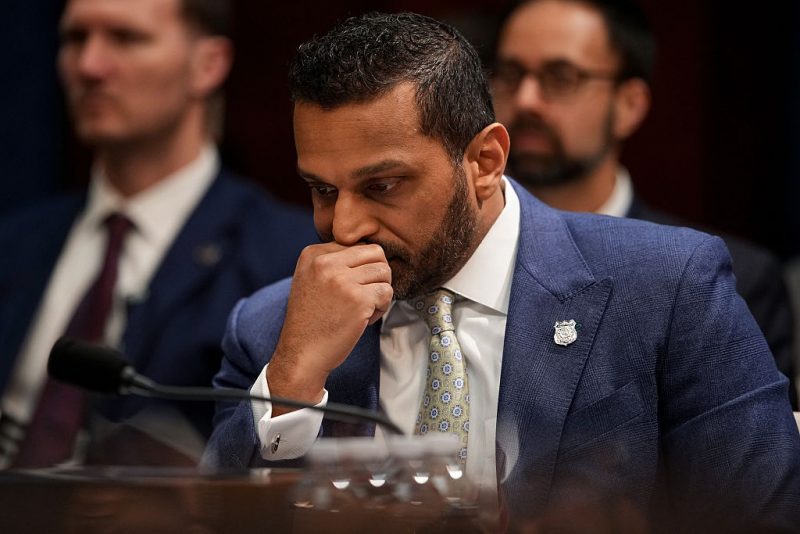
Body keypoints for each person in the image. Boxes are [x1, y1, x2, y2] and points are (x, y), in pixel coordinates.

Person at [204, 11, 800, 530]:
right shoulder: (269, 328)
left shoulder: (666, 287)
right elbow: (214, 522)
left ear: (485, 161)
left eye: (382, 186)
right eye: (322, 189)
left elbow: (759, 515)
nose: (345, 226)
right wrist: (291, 386)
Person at [0, 0, 317, 467]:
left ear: (208, 65)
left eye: (126, 39)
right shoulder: (16, 242)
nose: (89, 66)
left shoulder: (285, 256)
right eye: (75, 39)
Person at [491, 0, 798, 408]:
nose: (526, 99)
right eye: (510, 75)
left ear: (629, 105)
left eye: (561, 77)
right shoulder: (453, 258)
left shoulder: (733, 277)